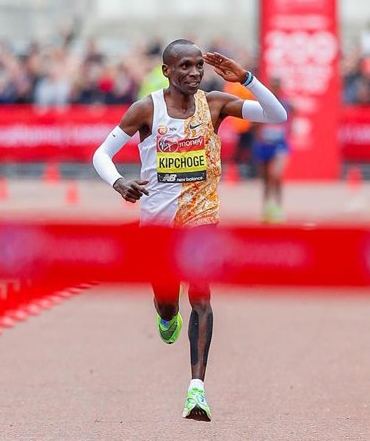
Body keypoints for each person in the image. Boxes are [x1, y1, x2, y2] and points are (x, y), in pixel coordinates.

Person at [92, 39, 286, 422]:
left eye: (198, 66)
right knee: (168, 300)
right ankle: (166, 315)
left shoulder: (214, 103)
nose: (194, 73)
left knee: (201, 295)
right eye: (184, 67)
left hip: (201, 218)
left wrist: (245, 77)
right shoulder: (146, 109)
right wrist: (118, 183)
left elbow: (277, 115)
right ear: (167, 71)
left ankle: (196, 390)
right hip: (157, 224)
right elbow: (101, 154)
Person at [253, 77, 291, 223]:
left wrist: (285, 134)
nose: (275, 88)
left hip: (279, 145)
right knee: (266, 180)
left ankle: (279, 208)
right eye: (273, 86)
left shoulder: (286, 104)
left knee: (275, 175)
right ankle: (266, 208)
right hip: (264, 145)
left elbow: (289, 122)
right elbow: (255, 123)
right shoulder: (263, 103)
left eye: (277, 86)